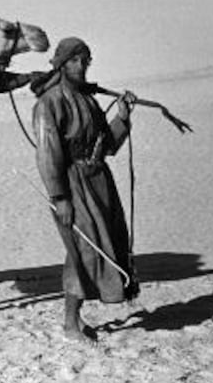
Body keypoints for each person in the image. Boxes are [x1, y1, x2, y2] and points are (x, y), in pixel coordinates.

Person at [31, 37, 139, 344]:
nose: (81, 66)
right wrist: (60, 198)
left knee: (106, 246)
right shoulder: (50, 103)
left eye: (85, 61)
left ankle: (74, 320)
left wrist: (123, 117)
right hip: (71, 184)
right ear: (62, 64)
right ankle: (70, 324)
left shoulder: (89, 100)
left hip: (99, 181)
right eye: (75, 61)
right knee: (83, 251)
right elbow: (48, 154)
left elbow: (109, 147)